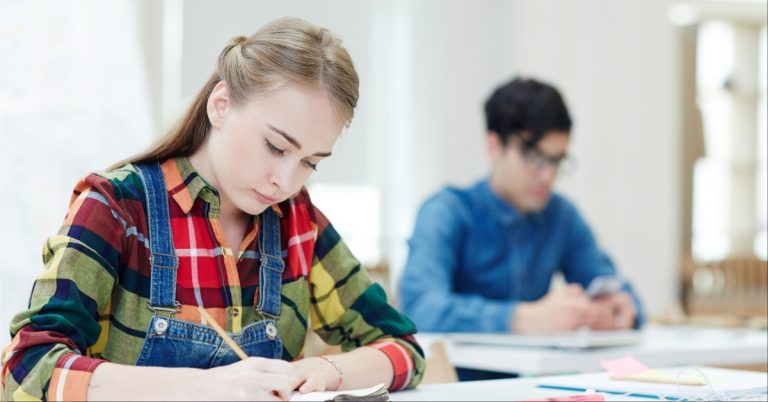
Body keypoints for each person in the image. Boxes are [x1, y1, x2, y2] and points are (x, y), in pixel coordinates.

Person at [1, 17, 424, 401]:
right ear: (221, 104)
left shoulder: (299, 222)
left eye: (310, 162)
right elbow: (27, 368)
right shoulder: (117, 206)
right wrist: (206, 387)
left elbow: (403, 349)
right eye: (275, 146)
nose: (285, 180)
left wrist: (323, 371)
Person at [398, 77, 644, 380]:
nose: (548, 175)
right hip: (455, 388)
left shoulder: (561, 215)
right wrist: (525, 318)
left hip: (534, 387)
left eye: (557, 160)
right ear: (493, 145)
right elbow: (419, 308)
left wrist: (621, 311)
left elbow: (616, 289)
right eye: (533, 158)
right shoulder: (446, 211)